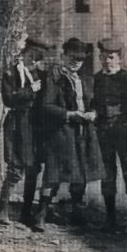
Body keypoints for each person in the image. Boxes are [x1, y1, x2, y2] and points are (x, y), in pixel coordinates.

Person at [31, 37, 104, 231]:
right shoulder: (53, 77)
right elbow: (45, 106)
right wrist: (69, 114)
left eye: (80, 59)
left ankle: (76, 214)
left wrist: (93, 113)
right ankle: (41, 214)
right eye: (72, 58)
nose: (76, 63)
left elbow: (94, 103)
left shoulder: (86, 78)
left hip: (83, 131)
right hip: (61, 131)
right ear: (63, 56)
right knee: (53, 173)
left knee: (80, 173)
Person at [0, 37, 48, 227]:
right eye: (31, 56)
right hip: (17, 123)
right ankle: (2, 209)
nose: (33, 61)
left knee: (33, 169)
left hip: (34, 125)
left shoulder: (40, 75)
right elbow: (9, 99)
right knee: (16, 167)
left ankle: (26, 213)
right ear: (24, 54)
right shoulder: (11, 73)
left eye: (37, 58)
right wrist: (29, 90)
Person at [92, 38, 127, 231]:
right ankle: (110, 219)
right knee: (107, 175)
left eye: (111, 57)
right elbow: (94, 104)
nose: (107, 61)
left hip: (125, 133)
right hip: (104, 133)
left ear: (120, 59)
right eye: (104, 57)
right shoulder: (97, 79)